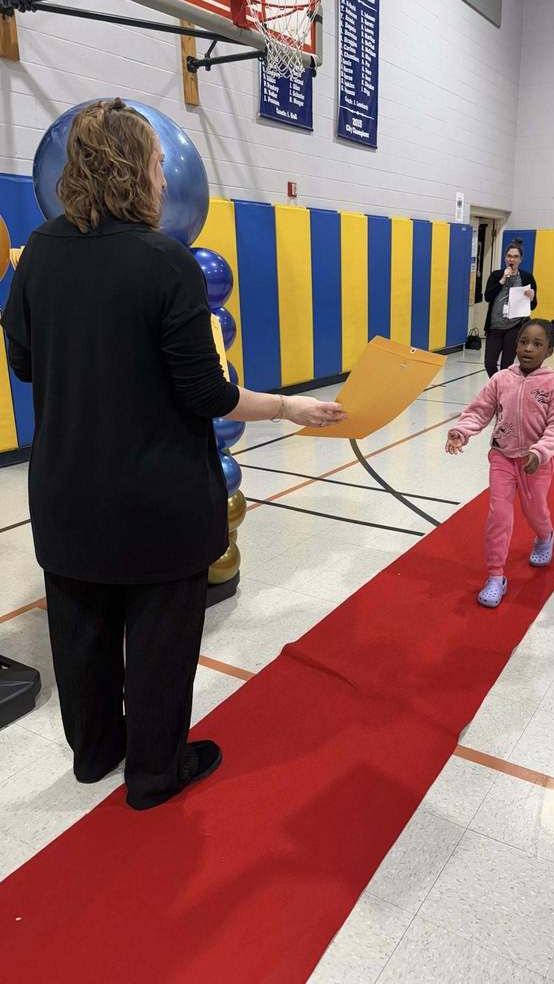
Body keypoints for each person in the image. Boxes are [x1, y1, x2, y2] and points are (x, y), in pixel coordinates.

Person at [0, 99, 345, 812]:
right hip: (156, 500)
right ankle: (154, 773)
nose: (164, 179)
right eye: (158, 164)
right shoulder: (168, 262)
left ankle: (95, 754)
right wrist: (288, 406)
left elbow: (26, 363)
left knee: (82, 637)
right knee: (159, 643)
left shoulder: (37, 256)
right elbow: (209, 395)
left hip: (65, 494)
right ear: (134, 169)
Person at [445, 318, 554, 609]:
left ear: (549, 351)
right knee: (499, 516)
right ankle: (496, 575)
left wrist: (539, 452)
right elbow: (480, 411)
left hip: (535, 464)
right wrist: (462, 431)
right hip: (502, 458)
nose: (528, 348)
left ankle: (545, 535)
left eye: (537, 344)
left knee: (534, 510)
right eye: (524, 342)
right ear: (516, 344)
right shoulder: (501, 379)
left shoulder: (553, 384)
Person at [482, 239, 538, 378]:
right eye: (509, 256)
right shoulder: (496, 275)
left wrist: (531, 298)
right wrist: (502, 280)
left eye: (515, 256)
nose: (512, 259)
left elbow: (533, 305)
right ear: (505, 258)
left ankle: (503, 391)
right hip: (495, 326)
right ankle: (498, 385)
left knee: (507, 365)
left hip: (514, 326)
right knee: (489, 362)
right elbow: (488, 297)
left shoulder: (527, 277)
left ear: (520, 259)